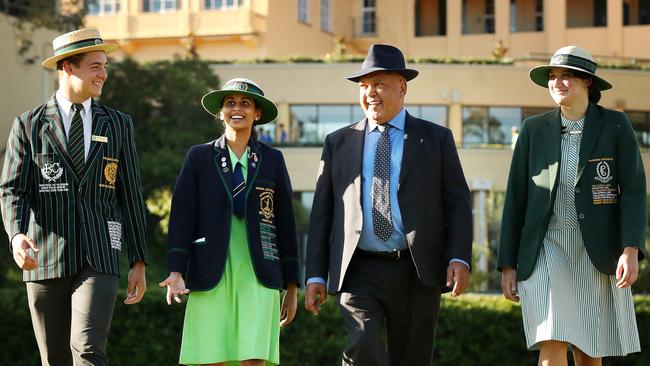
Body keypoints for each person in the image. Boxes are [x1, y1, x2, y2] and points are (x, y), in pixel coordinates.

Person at [304, 44, 473, 366]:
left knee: (412, 358)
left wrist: (459, 257)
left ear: (402, 87)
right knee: (362, 345)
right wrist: (315, 275)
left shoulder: (435, 138)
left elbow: (458, 203)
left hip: (416, 268)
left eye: (379, 84)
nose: (370, 93)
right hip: (359, 268)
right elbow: (322, 215)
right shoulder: (338, 142)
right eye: (364, 86)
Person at [0, 28, 148, 365]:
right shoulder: (28, 125)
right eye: (96, 66)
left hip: (100, 254)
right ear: (68, 67)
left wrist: (139, 260)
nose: (104, 74)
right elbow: (12, 190)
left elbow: (130, 195)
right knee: (54, 358)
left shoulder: (118, 124)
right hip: (44, 256)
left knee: (88, 349)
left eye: (105, 66)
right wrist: (17, 235)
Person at [498, 46, 646, 365]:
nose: (558, 82)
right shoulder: (532, 130)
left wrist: (630, 249)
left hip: (597, 250)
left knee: (588, 352)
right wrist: (507, 263)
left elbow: (634, 191)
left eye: (567, 76)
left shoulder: (616, 125)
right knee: (550, 341)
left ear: (587, 82)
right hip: (545, 247)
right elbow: (515, 199)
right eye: (553, 76)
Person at [159, 78, 300, 366]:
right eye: (230, 103)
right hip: (209, 271)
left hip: (259, 274)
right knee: (213, 358)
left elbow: (286, 223)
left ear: (257, 114)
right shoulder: (199, 157)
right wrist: (176, 271)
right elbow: (182, 216)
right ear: (221, 111)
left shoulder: (273, 160)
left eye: (245, 104)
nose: (237, 109)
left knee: (253, 359)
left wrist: (292, 286)